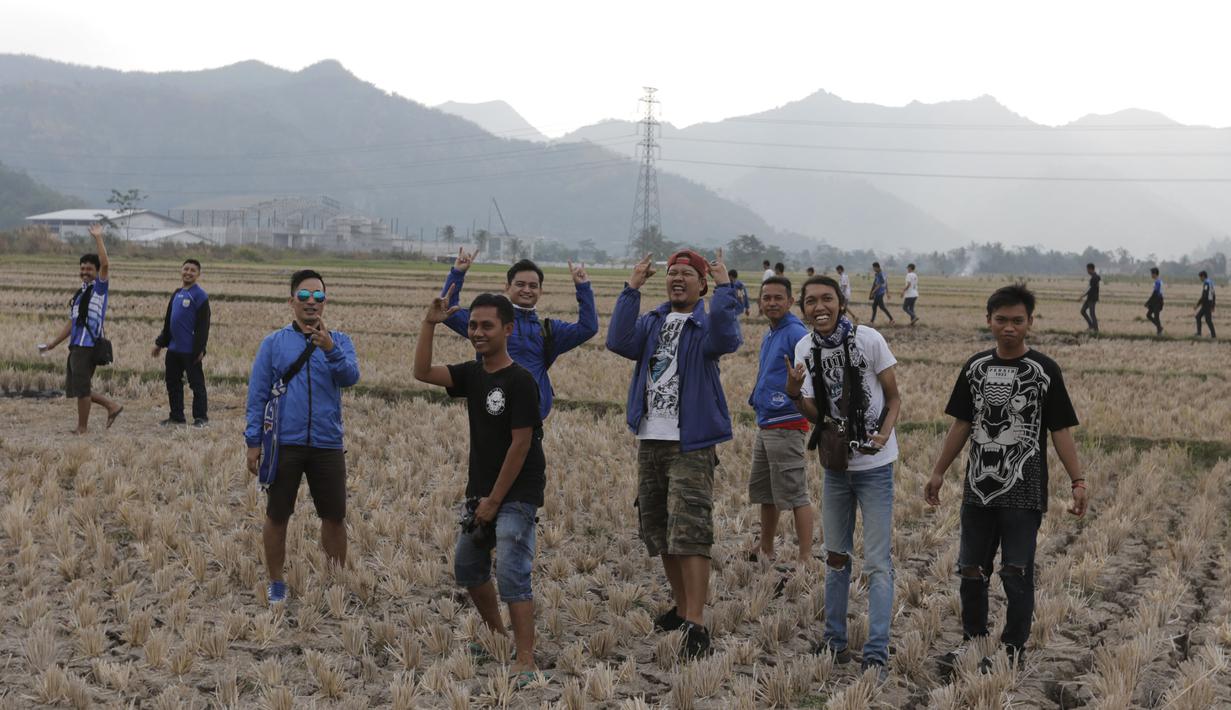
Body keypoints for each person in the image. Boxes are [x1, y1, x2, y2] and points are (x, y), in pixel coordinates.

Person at [925, 284, 1087, 672]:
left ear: (1030, 322)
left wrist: (1078, 481)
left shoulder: (1045, 371)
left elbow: (1060, 429)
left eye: (1017, 320)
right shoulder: (975, 367)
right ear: (989, 321)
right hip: (978, 490)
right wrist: (938, 471)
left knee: (1017, 572)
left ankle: (1013, 649)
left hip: (1024, 491)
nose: (1009, 328)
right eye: (1001, 320)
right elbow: (963, 423)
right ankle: (973, 641)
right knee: (970, 569)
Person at [606, 249, 742, 660]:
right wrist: (631, 288)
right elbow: (617, 341)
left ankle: (696, 624)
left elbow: (729, 337)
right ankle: (682, 609)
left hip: (690, 442)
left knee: (690, 531)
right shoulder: (652, 321)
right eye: (672, 273)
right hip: (651, 438)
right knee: (662, 529)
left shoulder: (705, 324)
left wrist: (725, 288)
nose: (677, 279)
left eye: (687, 274)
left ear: (702, 284)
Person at [415, 289, 544, 680]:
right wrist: (429, 324)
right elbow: (422, 372)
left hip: (517, 491)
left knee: (511, 569)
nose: (477, 332)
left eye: (487, 325)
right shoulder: (472, 374)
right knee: (468, 567)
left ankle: (526, 658)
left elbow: (521, 445)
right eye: (473, 325)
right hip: (481, 489)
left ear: (508, 329)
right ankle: (497, 638)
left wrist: (494, 501)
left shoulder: (520, 381)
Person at [785, 275, 901, 678]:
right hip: (837, 468)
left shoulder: (869, 340)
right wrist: (795, 393)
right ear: (803, 308)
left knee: (878, 564)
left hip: (875, 467)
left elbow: (894, 397)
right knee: (835, 557)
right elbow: (817, 415)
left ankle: (877, 652)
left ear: (840, 301)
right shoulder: (804, 348)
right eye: (811, 301)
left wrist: (883, 434)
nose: (820, 307)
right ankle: (834, 642)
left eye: (827, 299)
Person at [245, 270, 360, 605]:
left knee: (334, 517)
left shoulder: (340, 341)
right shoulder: (274, 343)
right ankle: (276, 582)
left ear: (325, 301)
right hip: (284, 442)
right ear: (292, 301)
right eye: (305, 296)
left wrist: (330, 349)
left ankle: (335, 582)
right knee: (277, 515)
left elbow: (350, 376)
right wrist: (253, 442)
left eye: (319, 296)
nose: (312, 302)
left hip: (327, 443)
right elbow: (258, 394)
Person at [441, 251, 597, 420]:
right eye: (520, 284)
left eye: (533, 286)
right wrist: (458, 272)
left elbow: (588, 328)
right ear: (507, 287)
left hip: (532, 415)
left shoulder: (549, 329)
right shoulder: (488, 321)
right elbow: (448, 312)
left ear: (541, 291)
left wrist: (583, 287)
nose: (527, 290)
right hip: (493, 410)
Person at [746, 276, 813, 571]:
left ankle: (805, 557)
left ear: (790, 302)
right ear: (760, 302)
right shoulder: (772, 332)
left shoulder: (795, 333)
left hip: (786, 421)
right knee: (767, 493)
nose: (771, 303)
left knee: (796, 493)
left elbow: (809, 375)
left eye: (778, 298)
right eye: (766, 298)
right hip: (767, 421)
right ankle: (766, 547)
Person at [37, 223, 123, 434]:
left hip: (87, 345)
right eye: (82, 269)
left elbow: (105, 263)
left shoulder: (99, 289)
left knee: (81, 388)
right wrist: (52, 344)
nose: (85, 272)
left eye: (89, 269)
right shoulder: (80, 294)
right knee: (79, 387)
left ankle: (95, 418)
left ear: (96, 271)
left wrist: (98, 237)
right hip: (77, 345)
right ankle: (98, 415)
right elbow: (72, 323)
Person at [152, 259, 211, 426]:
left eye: (193, 270)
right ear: (181, 270)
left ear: (198, 274)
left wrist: (200, 349)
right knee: (173, 383)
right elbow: (168, 323)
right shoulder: (177, 294)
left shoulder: (200, 296)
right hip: (173, 349)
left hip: (190, 350)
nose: (188, 273)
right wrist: (160, 343)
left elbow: (203, 326)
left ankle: (201, 417)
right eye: (186, 269)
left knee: (196, 384)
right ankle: (176, 416)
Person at [1195, 270, 1216, 338]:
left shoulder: (1206, 283)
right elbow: (1214, 295)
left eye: (1200, 277)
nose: (1200, 279)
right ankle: (1211, 334)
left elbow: (1204, 295)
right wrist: (1213, 305)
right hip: (1209, 303)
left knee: (1203, 318)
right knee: (1202, 318)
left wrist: (1197, 304)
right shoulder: (1210, 282)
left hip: (1206, 304)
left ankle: (1201, 334)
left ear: (1203, 276)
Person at [1079, 263, 1100, 333]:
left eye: (1087, 269)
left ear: (1090, 269)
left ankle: (1096, 330)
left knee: (1092, 314)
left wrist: (1082, 296)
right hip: (1090, 298)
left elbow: (1089, 289)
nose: (1087, 271)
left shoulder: (1094, 278)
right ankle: (1091, 326)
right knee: (1083, 311)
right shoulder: (1095, 277)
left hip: (1092, 298)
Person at [1145, 267, 1164, 336]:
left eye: (1152, 273)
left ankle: (1159, 332)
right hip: (1155, 300)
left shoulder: (1158, 282)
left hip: (1158, 301)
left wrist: (1148, 302)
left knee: (1156, 317)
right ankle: (1160, 327)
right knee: (1148, 315)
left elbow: (1155, 293)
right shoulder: (1157, 281)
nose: (1151, 275)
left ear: (1155, 274)